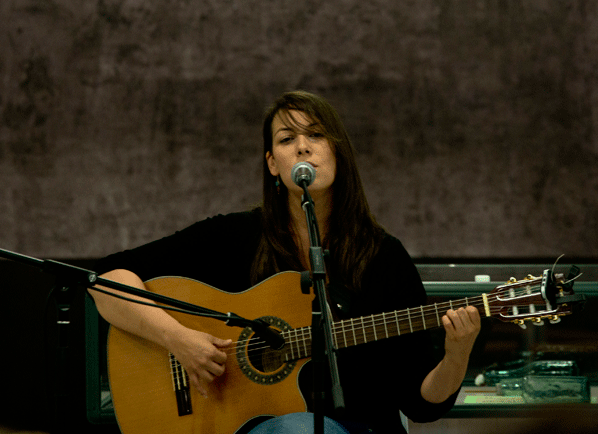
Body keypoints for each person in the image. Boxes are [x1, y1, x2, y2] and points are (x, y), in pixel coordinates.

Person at [92, 90, 481, 433]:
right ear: (273, 163)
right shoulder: (233, 237)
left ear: (338, 152)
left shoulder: (383, 257)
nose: (302, 146)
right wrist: (179, 339)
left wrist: (458, 353)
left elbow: (421, 404)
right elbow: (106, 280)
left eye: (315, 134)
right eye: (287, 138)